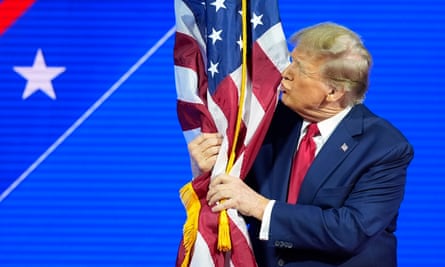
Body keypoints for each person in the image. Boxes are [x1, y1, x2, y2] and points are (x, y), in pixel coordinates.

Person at [188, 22, 414, 267]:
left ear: (333, 91)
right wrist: (212, 167)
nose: (285, 73)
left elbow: (350, 231)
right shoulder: (267, 123)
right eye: (291, 60)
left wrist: (262, 208)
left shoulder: (384, 146)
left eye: (300, 68)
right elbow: (238, 198)